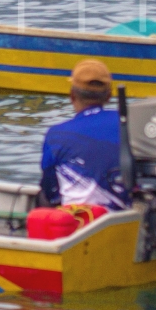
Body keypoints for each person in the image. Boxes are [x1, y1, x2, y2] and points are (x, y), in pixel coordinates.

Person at [39, 60, 129, 210]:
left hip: (75, 222)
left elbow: (50, 190)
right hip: (123, 221)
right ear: (109, 96)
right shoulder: (130, 125)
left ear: (72, 95)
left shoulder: (56, 134)